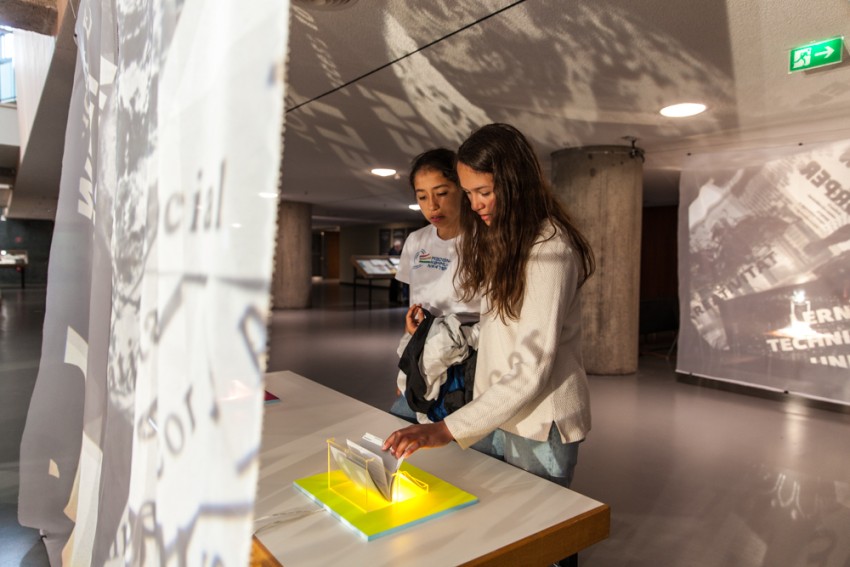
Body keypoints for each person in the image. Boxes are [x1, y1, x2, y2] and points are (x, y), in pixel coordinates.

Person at [383, 123, 595, 496]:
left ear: (516, 184)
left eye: (483, 191)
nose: (475, 203)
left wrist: (445, 429)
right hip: (494, 410)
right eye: (468, 193)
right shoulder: (506, 239)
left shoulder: (550, 248)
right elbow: (497, 326)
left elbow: (532, 367)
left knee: (535, 535)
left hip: (538, 422)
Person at [389, 148, 481, 422]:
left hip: (466, 363)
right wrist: (409, 366)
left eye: (441, 193)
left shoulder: (486, 243)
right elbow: (416, 304)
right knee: (404, 426)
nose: (432, 205)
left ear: (462, 190)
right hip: (422, 356)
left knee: (461, 448)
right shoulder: (416, 241)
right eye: (422, 196)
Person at [387, 239, 404, 305]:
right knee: (393, 285)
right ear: (395, 246)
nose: (399, 247)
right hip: (393, 270)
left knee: (396, 285)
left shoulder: (399, 251)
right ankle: (392, 299)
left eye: (400, 246)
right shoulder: (392, 251)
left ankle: (396, 298)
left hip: (398, 270)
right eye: (398, 246)